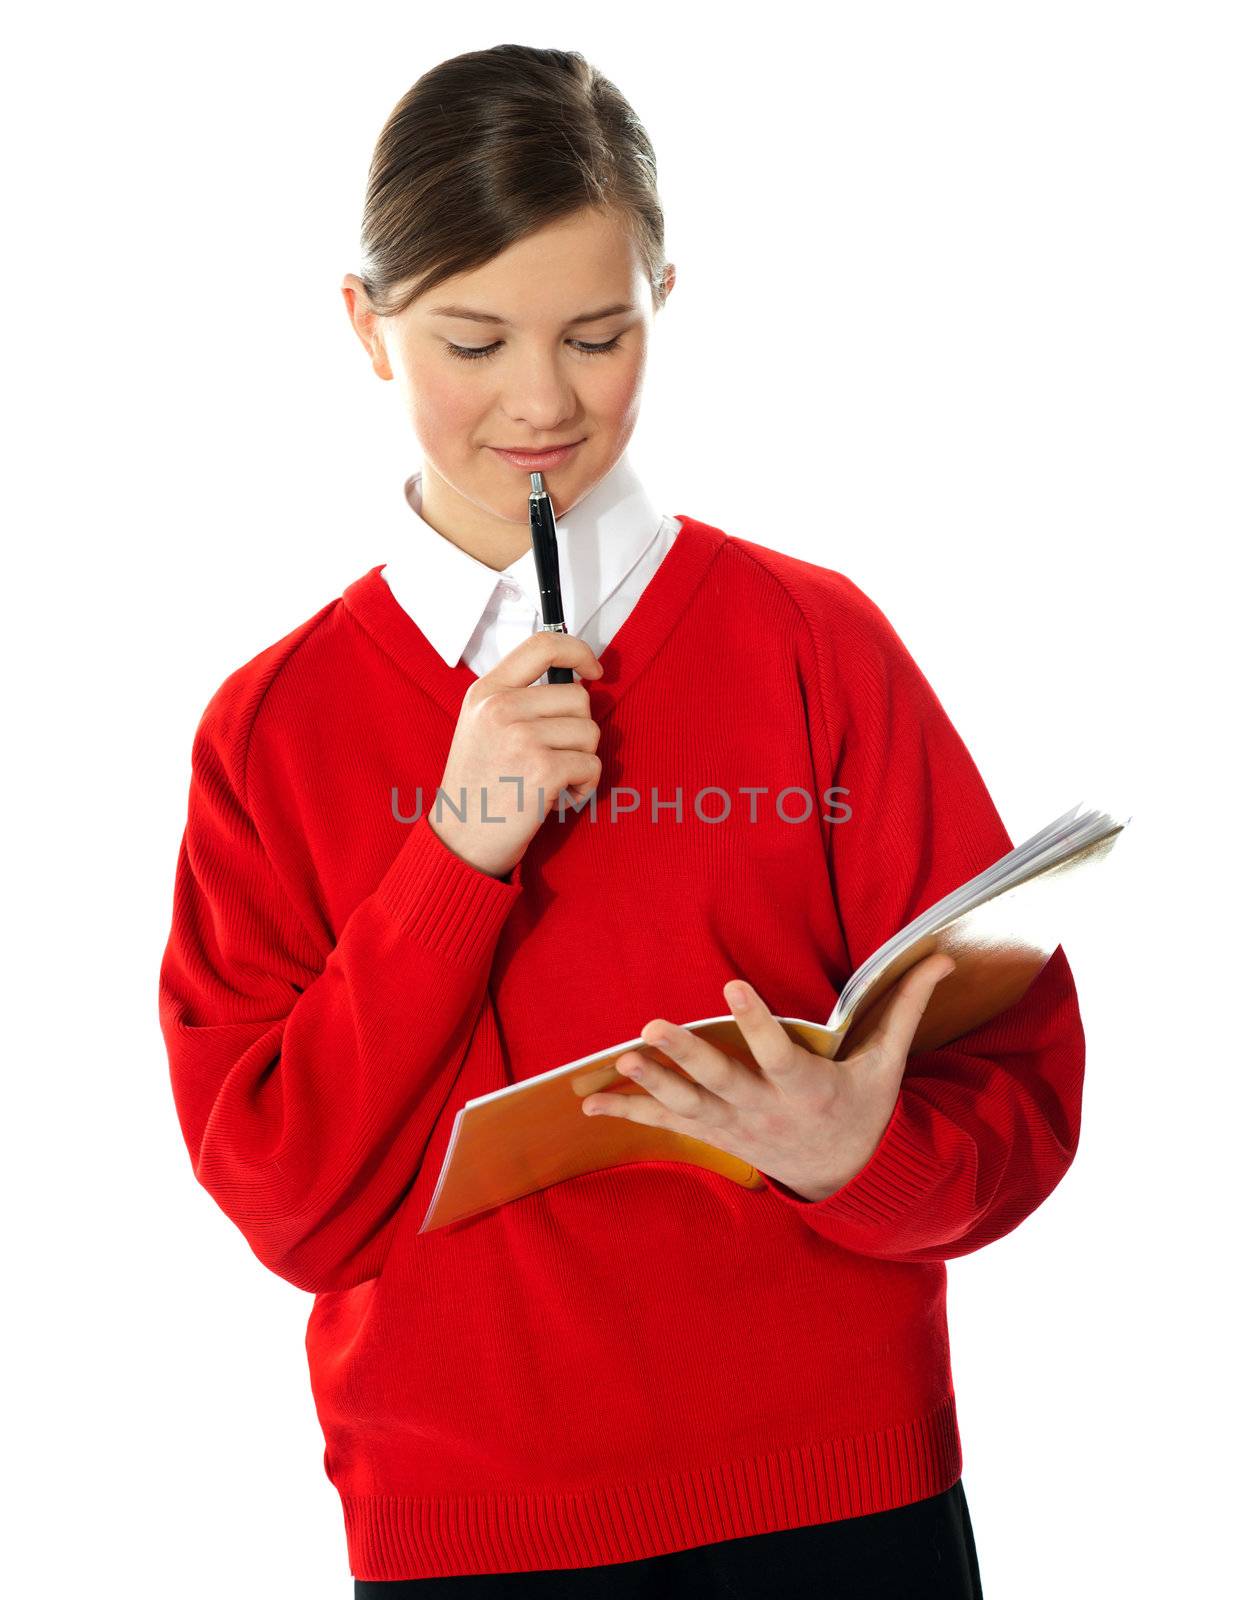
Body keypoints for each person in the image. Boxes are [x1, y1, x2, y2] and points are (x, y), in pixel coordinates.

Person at [159, 43, 1086, 1598]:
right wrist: (455, 856)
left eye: (599, 335)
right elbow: (289, 1203)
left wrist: (860, 1152)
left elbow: (1025, 1082)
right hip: (472, 1529)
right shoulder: (272, 728)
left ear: (663, 291)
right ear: (364, 325)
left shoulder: (815, 644)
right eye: (473, 340)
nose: (540, 401)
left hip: (841, 1494)